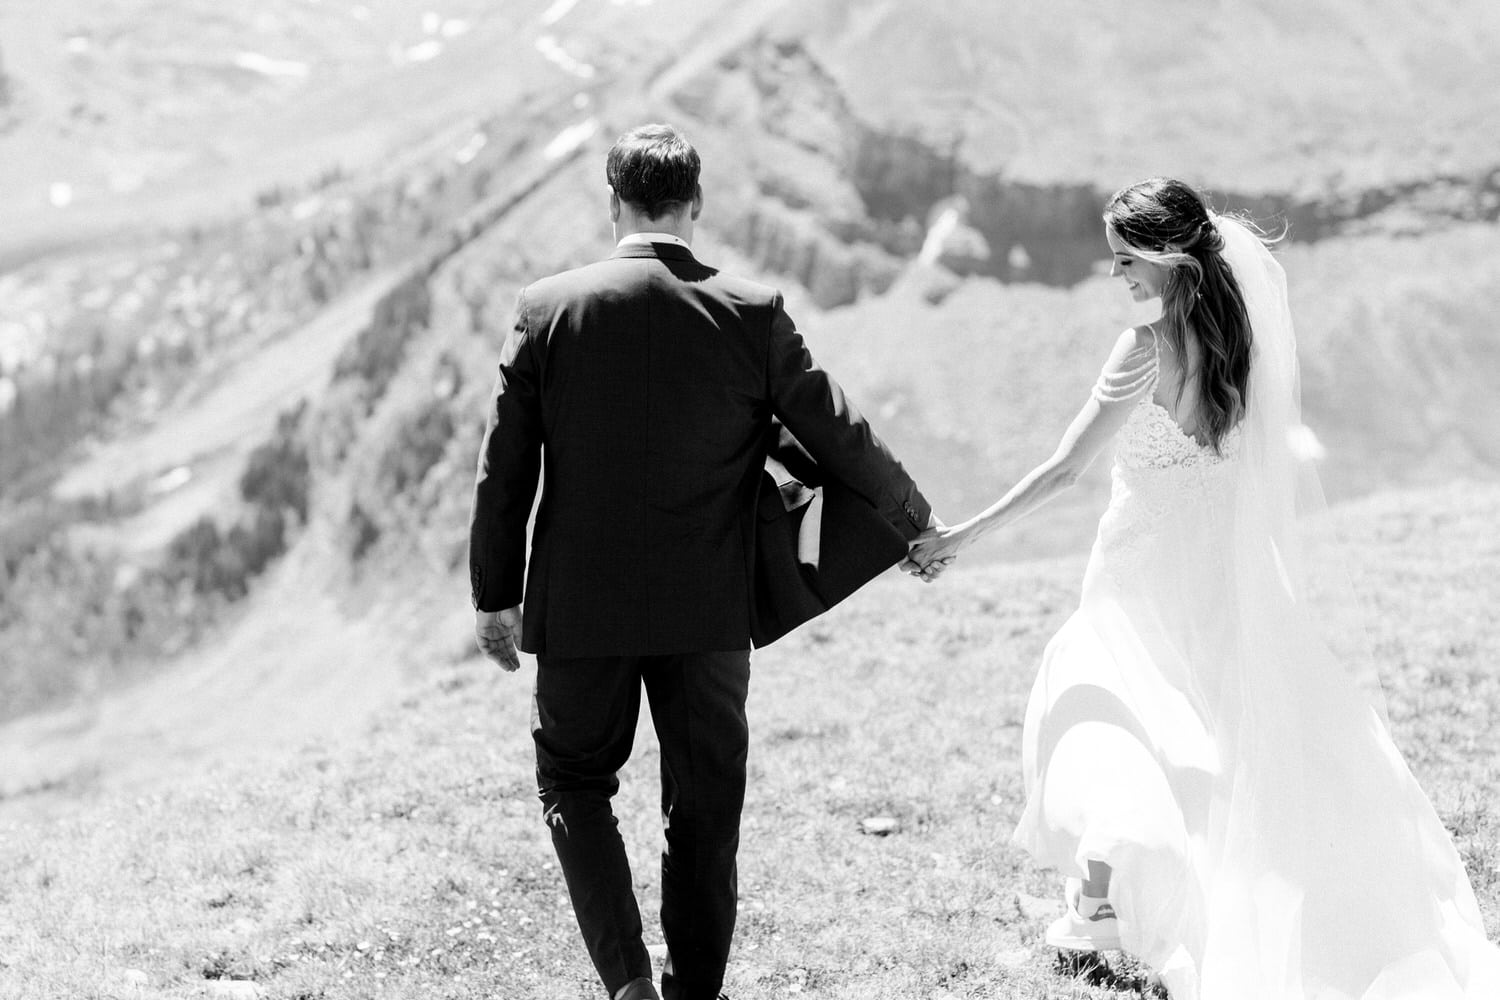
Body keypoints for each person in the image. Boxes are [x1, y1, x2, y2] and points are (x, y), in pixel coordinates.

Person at [909, 177, 1500, 998]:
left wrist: (959, 537)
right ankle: (1096, 914)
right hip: (1218, 576)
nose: (1115, 276)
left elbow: (1066, 469)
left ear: (1165, 257)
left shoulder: (1143, 347)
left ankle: (1108, 912)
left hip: (1140, 581)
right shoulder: (1238, 340)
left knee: (1099, 717)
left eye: (1125, 261)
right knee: (1211, 742)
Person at [468, 123, 936, 1000]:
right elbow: (839, 431)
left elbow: (506, 471)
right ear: (697, 205)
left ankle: (627, 984)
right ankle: (694, 992)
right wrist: (911, 520)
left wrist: (496, 597)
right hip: (709, 609)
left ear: (614, 203)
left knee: (574, 782)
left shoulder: (547, 309)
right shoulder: (750, 312)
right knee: (707, 801)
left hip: (581, 608)